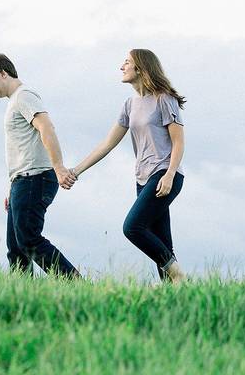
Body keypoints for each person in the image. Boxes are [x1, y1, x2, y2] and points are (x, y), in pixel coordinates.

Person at [73, 49, 187, 282]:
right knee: (162, 240)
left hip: (164, 173)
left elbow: (178, 142)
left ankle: (179, 276)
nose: (121, 66)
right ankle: (174, 295)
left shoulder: (164, 99)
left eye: (126, 62)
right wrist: (76, 170)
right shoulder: (129, 105)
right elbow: (108, 143)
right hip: (142, 178)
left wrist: (170, 174)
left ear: (141, 68)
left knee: (132, 227)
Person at [0, 53, 80, 278]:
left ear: (3, 74)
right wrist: (12, 189)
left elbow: (46, 128)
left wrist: (59, 168)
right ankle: (21, 295)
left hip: (36, 178)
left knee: (29, 239)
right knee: (15, 248)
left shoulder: (24, 96)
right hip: (21, 181)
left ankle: (77, 284)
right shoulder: (15, 101)